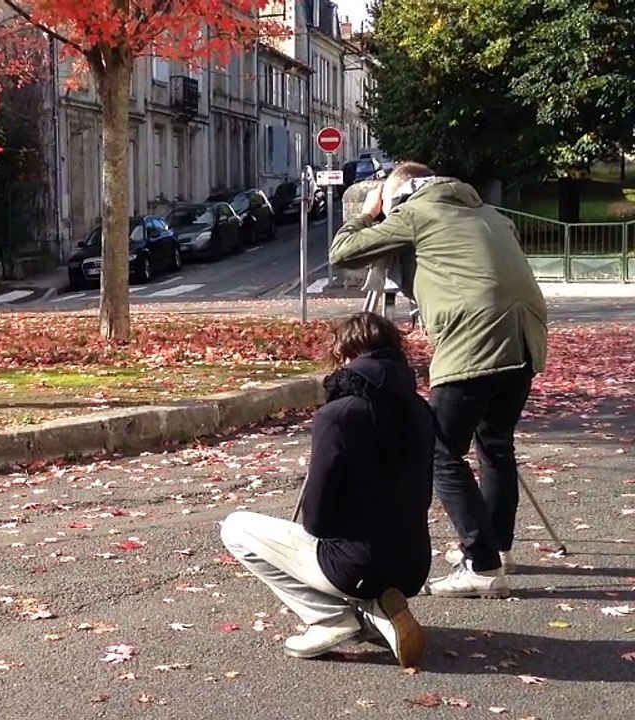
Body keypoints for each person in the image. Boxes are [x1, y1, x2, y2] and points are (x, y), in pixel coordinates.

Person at [329, 162, 548, 599]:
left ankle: (482, 565)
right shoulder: (489, 214)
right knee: (496, 445)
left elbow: (343, 252)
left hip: (473, 338)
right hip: (524, 338)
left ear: (400, 194)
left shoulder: (415, 214)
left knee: (441, 451)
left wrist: (371, 213)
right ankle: (495, 547)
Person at [220, 312, 434, 669]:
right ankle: (375, 611)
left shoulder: (338, 414)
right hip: (414, 563)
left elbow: (316, 520)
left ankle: (329, 618)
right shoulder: (421, 409)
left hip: (355, 563)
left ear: (346, 355)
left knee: (236, 527)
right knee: (365, 548)